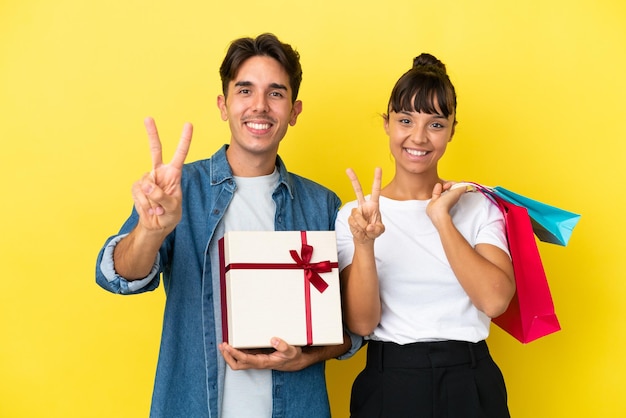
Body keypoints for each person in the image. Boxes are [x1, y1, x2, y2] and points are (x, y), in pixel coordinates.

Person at [96, 33, 358, 418]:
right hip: (193, 406)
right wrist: (151, 230)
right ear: (223, 105)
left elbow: (353, 328)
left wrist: (304, 358)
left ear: (294, 110)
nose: (259, 106)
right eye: (245, 90)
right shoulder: (179, 189)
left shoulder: (322, 205)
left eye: (276, 93)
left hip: (296, 406)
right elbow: (117, 275)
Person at [335, 53, 515, 417]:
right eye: (405, 120)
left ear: (452, 129)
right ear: (387, 124)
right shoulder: (354, 216)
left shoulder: (478, 206)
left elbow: (495, 301)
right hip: (389, 381)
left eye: (435, 124)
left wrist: (441, 219)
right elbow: (361, 323)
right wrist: (364, 244)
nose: (418, 137)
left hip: (470, 380)